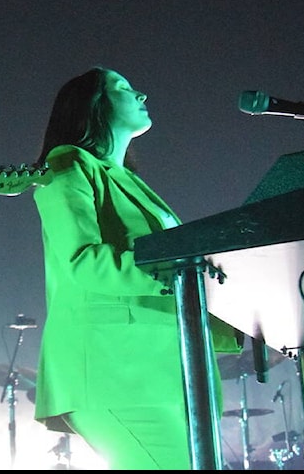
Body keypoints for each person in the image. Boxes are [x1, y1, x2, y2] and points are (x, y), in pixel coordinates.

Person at [31, 66, 241, 470]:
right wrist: (181, 270)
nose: (142, 94)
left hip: (161, 372)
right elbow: (84, 262)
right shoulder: (67, 165)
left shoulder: (131, 181)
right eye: (124, 88)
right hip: (113, 373)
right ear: (93, 106)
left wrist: (243, 325)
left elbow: (173, 276)